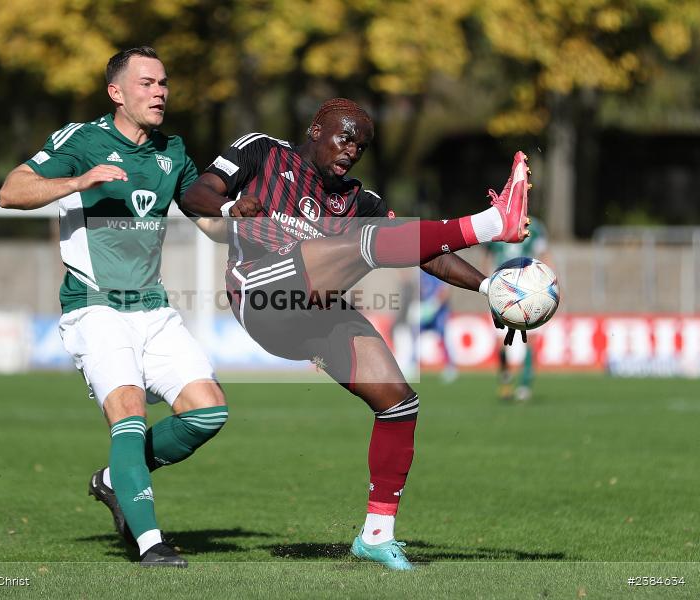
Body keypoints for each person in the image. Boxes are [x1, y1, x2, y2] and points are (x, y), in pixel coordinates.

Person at [181, 98, 531, 570]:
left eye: (361, 146)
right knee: (362, 243)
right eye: (344, 137)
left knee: (399, 401)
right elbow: (195, 194)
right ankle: (492, 222)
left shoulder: (359, 201)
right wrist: (229, 205)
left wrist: (489, 287)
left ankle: (376, 535)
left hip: (315, 316)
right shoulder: (262, 151)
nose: (352, 150)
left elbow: (423, 252)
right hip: (261, 295)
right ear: (315, 129)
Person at [0, 47, 228, 568]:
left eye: (164, 83)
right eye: (146, 83)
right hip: (94, 307)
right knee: (128, 411)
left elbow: (208, 223)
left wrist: (247, 219)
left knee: (209, 410)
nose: (160, 92)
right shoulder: (80, 140)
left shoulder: (173, 150)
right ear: (116, 93)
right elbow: (11, 192)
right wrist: (79, 181)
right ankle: (151, 544)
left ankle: (113, 478)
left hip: (153, 306)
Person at [484, 217, 553, 401]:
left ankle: (524, 385)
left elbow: (544, 255)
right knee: (501, 342)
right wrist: (486, 285)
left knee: (531, 339)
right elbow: (488, 257)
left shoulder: (535, 227)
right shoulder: (496, 225)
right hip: (501, 292)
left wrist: (549, 283)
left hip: (528, 291)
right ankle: (506, 380)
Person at [414, 271, 458, 382]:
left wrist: (434, 304)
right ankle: (413, 364)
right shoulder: (420, 271)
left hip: (440, 310)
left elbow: (446, 290)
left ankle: (450, 367)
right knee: (415, 332)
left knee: (443, 336)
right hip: (426, 308)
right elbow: (420, 288)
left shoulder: (439, 269)